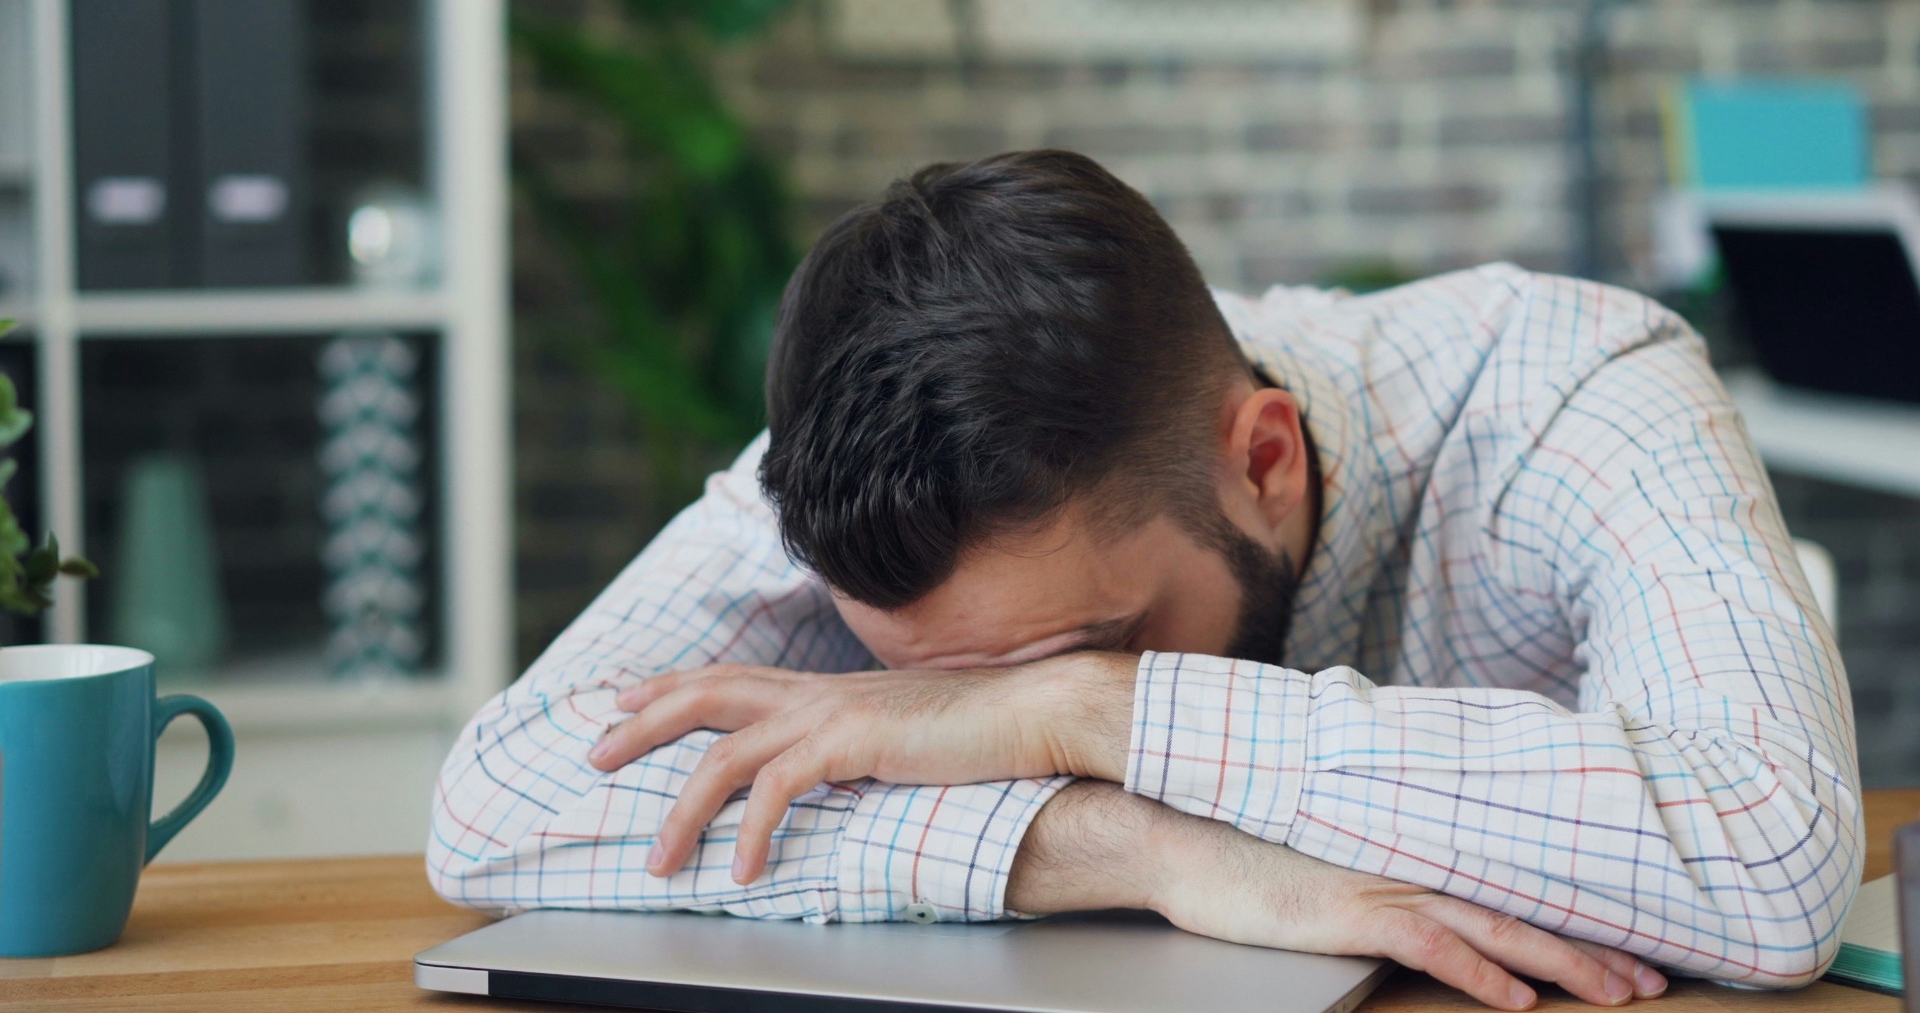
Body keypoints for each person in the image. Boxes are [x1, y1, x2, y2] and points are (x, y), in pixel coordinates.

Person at [429, 150, 1860, 1011]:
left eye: (1075, 645)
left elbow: (1773, 855)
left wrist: (1084, 714)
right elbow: (496, 805)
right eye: (937, 683)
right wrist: (1124, 846)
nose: (966, 718)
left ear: (1266, 459)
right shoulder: (859, 461)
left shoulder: (1577, 387)